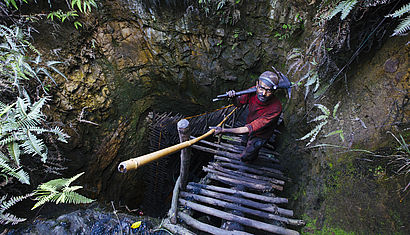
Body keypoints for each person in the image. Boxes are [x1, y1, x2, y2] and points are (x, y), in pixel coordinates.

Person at [213, 71, 282, 162]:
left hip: (261, 134)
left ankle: (248, 162)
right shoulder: (253, 91)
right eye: (261, 88)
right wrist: (233, 98)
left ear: (274, 91)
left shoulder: (275, 108)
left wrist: (223, 130)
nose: (263, 93)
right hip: (249, 123)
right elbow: (238, 104)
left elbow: (248, 129)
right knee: (244, 143)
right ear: (257, 84)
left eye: (269, 90)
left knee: (247, 155)